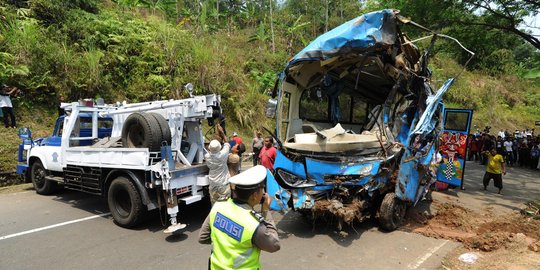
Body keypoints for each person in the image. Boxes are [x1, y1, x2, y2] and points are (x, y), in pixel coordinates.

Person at [198, 165, 280, 269]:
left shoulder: (218, 206)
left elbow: (202, 238)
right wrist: (265, 211)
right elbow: (274, 245)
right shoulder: (253, 224)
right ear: (254, 195)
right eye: (262, 190)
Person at [205, 124, 231, 204]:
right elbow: (227, 143)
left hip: (213, 184)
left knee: (214, 205)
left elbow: (210, 150)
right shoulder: (222, 155)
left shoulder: (207, 156)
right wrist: (222, 132)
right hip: (223, 184)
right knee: (225, 205)